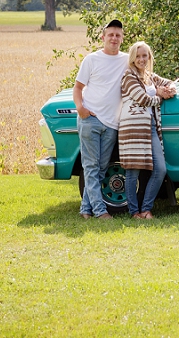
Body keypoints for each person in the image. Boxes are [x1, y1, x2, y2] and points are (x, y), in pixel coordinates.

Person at [73, 19, 129, 219]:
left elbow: (145, 73)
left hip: (112, 124)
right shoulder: (91, 60)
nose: (114, 38)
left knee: (101, 168)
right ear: (103, 37)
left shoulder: (126, 60)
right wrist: (80, 108)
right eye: (111, 34)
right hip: (91, 120)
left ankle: (85, 209)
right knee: (90, 166)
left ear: (122, 38)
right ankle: (100, 211)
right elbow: (78, 88)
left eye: (118, 35)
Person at [119, 42, 176, 220]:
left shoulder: (149, 77)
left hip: (150, 127)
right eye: (138, 56)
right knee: (133, 171)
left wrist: (169, 89)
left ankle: (146, 209)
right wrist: (160, 96)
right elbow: (143, 99)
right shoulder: (128, 76)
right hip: (133, 128)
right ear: (132, 58)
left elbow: (170, 83)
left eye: (145, 56)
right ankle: (134, 212)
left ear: (149, 57)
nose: (142, 59)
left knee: (160, 169)